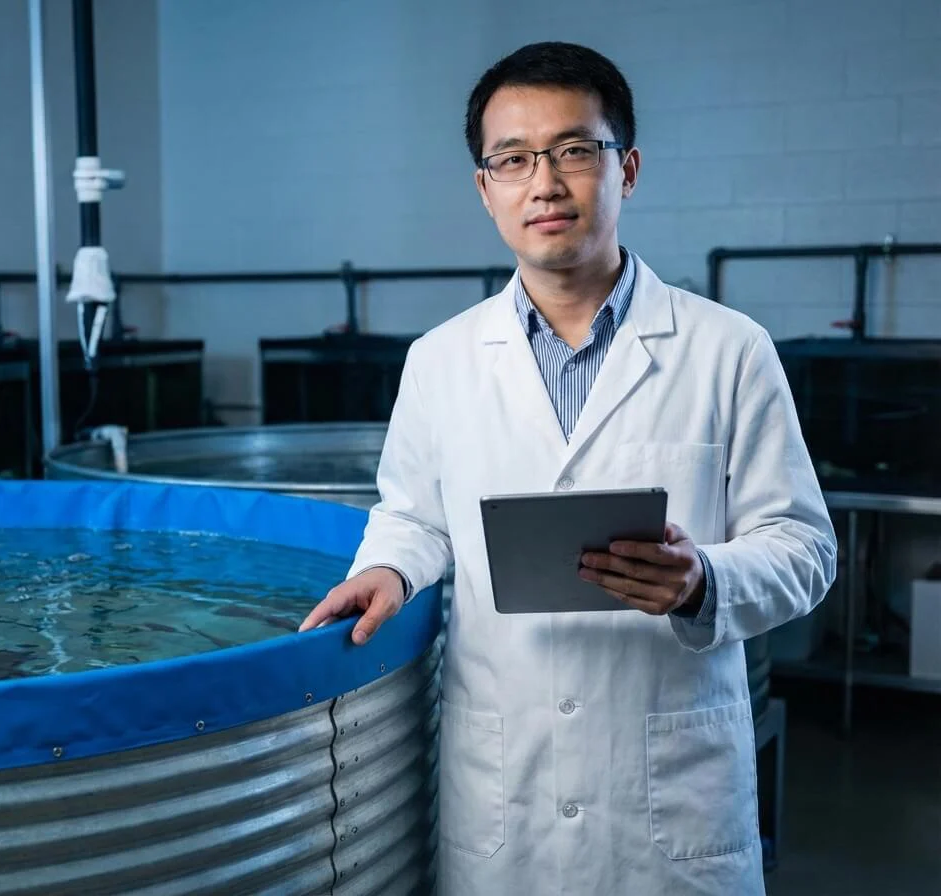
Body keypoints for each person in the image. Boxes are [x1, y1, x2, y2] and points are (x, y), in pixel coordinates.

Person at [299, 41, 837, 896]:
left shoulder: (729, 351)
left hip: (672, 801)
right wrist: (388, 569)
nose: (543, 182)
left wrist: (704, 580)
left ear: (626, 168)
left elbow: (805, 548)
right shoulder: (441, 361)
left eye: (573, 151)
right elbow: (414, 513)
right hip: (504, 795)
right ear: (486, 189)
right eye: (512, 159)